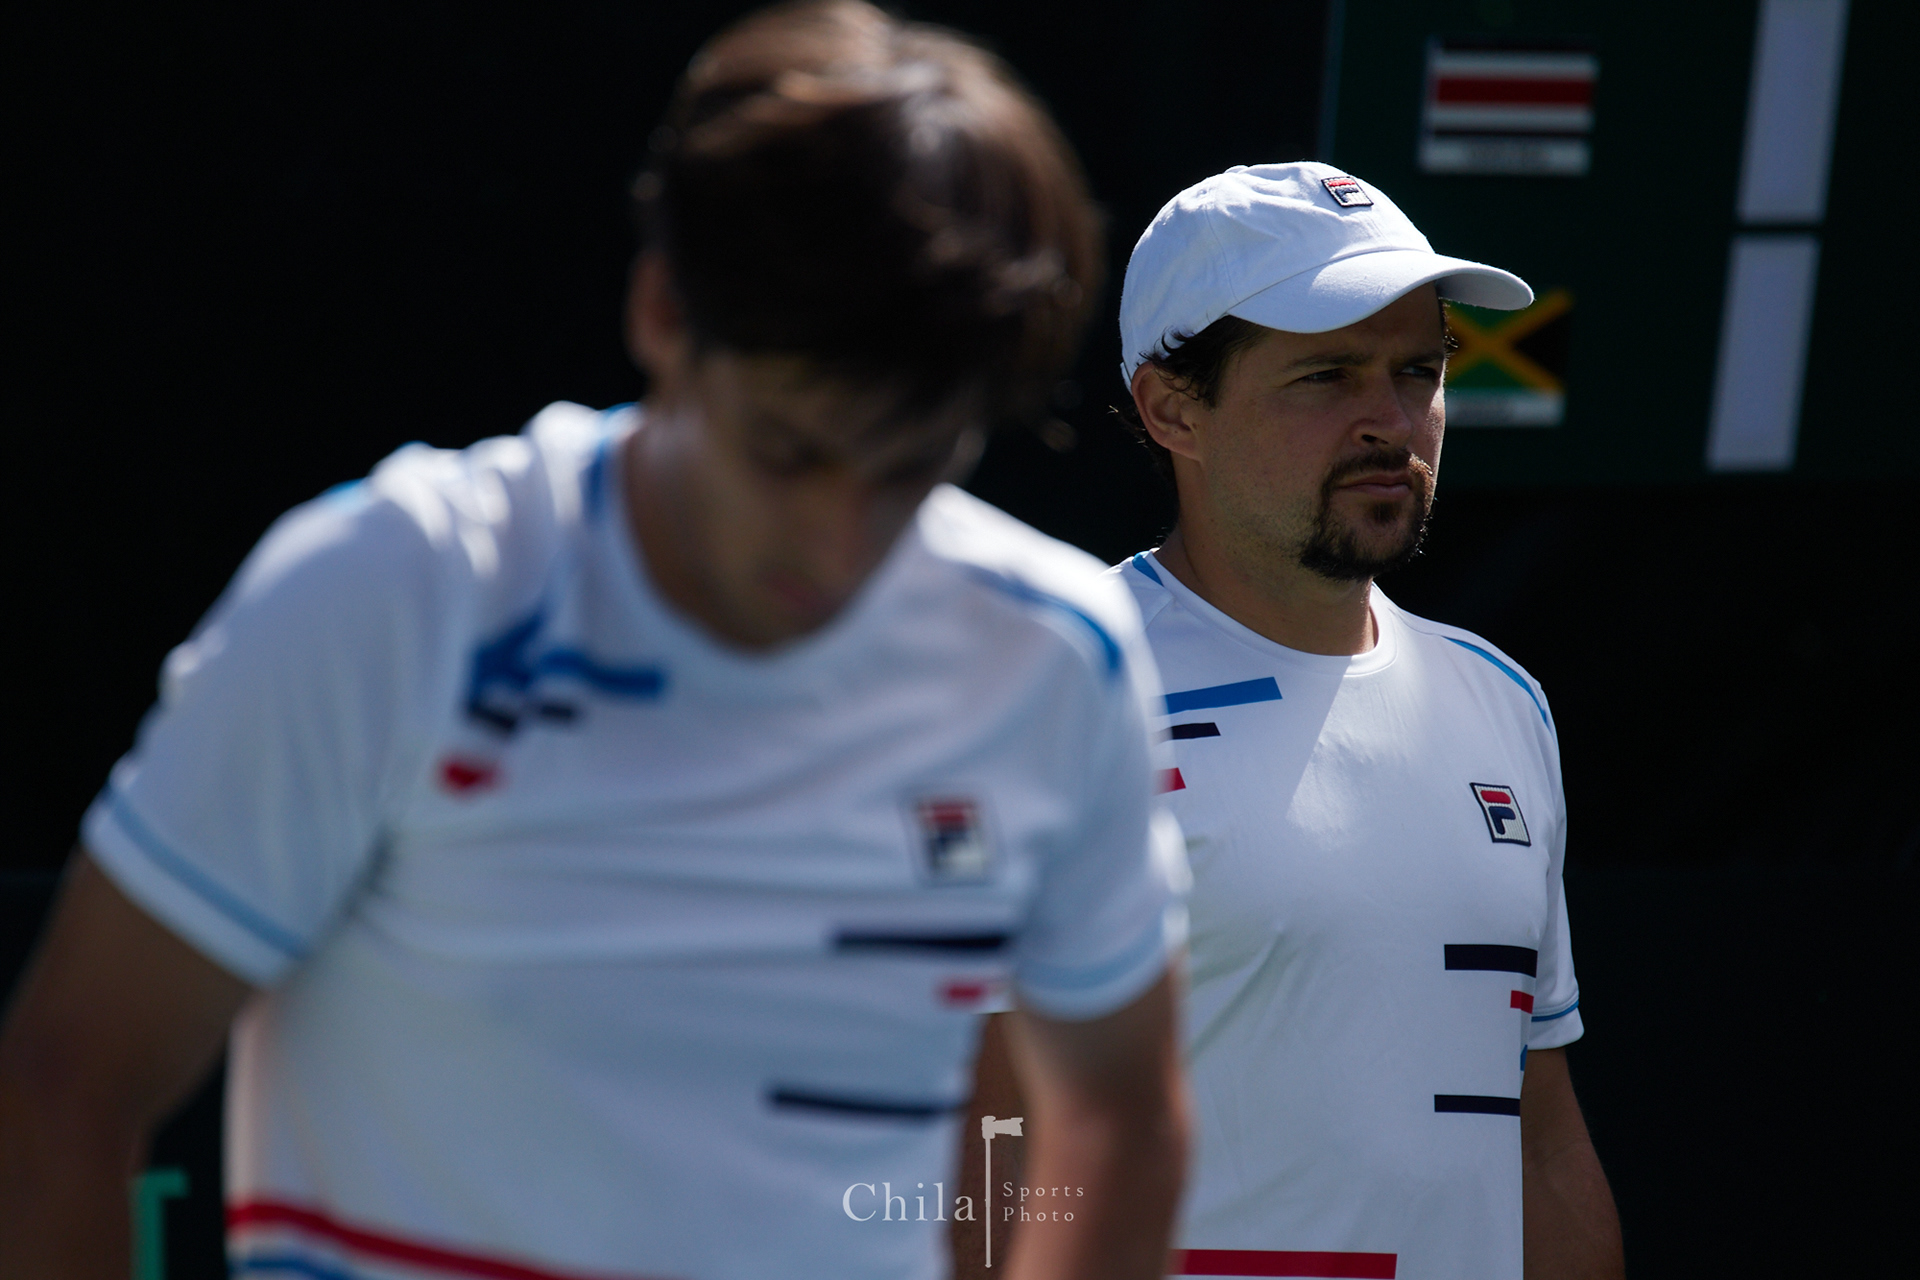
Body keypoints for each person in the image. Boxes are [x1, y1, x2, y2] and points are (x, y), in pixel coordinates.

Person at [0, 5, 1191, 1278]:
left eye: (911, 466)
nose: (839, 543)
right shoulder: (401, 588)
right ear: (663, 309)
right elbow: (68, 1091)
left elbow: (1116, 1112)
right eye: (789, 452)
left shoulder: (1061, 652)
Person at [1110, 162, 1624, 1279]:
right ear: (1170, 407)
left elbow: (1539, 1140)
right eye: (1326, 376)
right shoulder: (1056, 690)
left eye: (1420, 371)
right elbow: (982, 1129)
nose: (1391, 422)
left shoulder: (1502, 701)